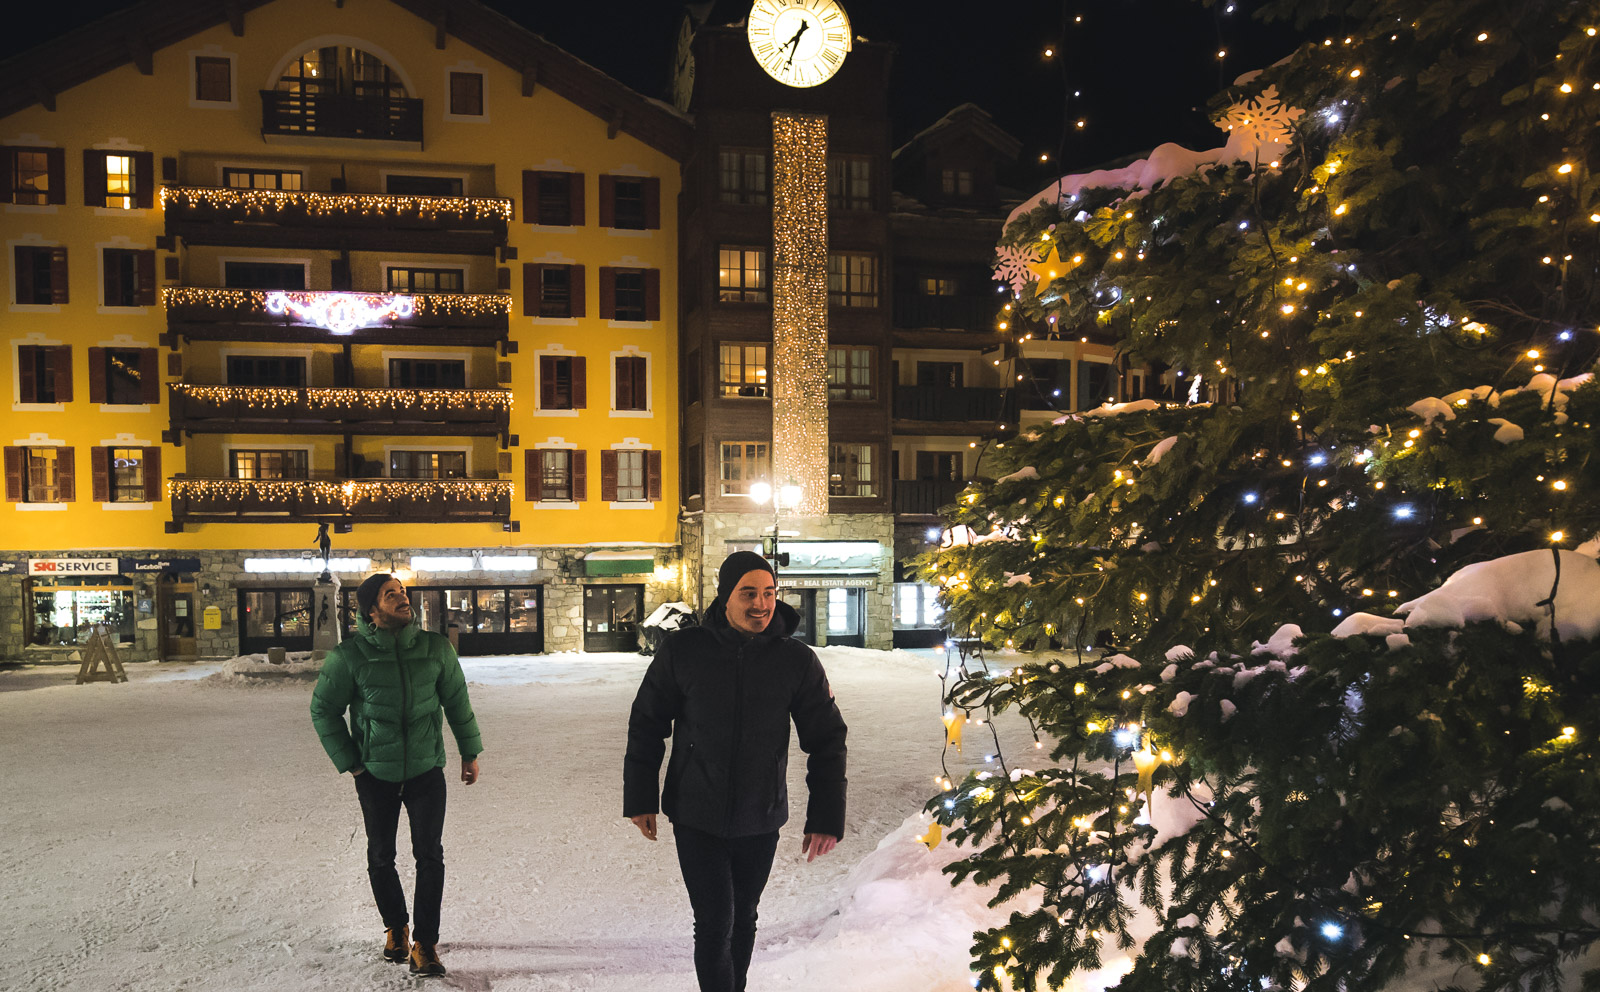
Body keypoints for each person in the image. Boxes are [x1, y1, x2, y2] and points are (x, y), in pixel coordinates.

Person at [624, 550, 848, 992]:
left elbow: (827, 740)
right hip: (695, 811)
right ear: (725, 596)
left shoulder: (796, 661)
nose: (761, 604)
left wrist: (826, 818)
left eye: (768, 593)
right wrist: (640, 798)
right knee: (714, 920)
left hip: (759, 814)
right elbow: (647, 722)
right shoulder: (684, 651)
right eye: (748, 593)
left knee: (743, 916)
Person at [310, 572, 483, 978]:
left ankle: (425, 943)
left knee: (430, 855)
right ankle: (395, 928)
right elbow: (323, 711)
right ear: (372, 611)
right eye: (392, 595)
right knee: (381, 855)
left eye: (403, 593)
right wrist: (352, 762)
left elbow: (457, 701)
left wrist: (469, 751)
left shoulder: (435, 649)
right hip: (375, 774)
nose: (403, 599)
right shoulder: (348, 656)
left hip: (426, 770)